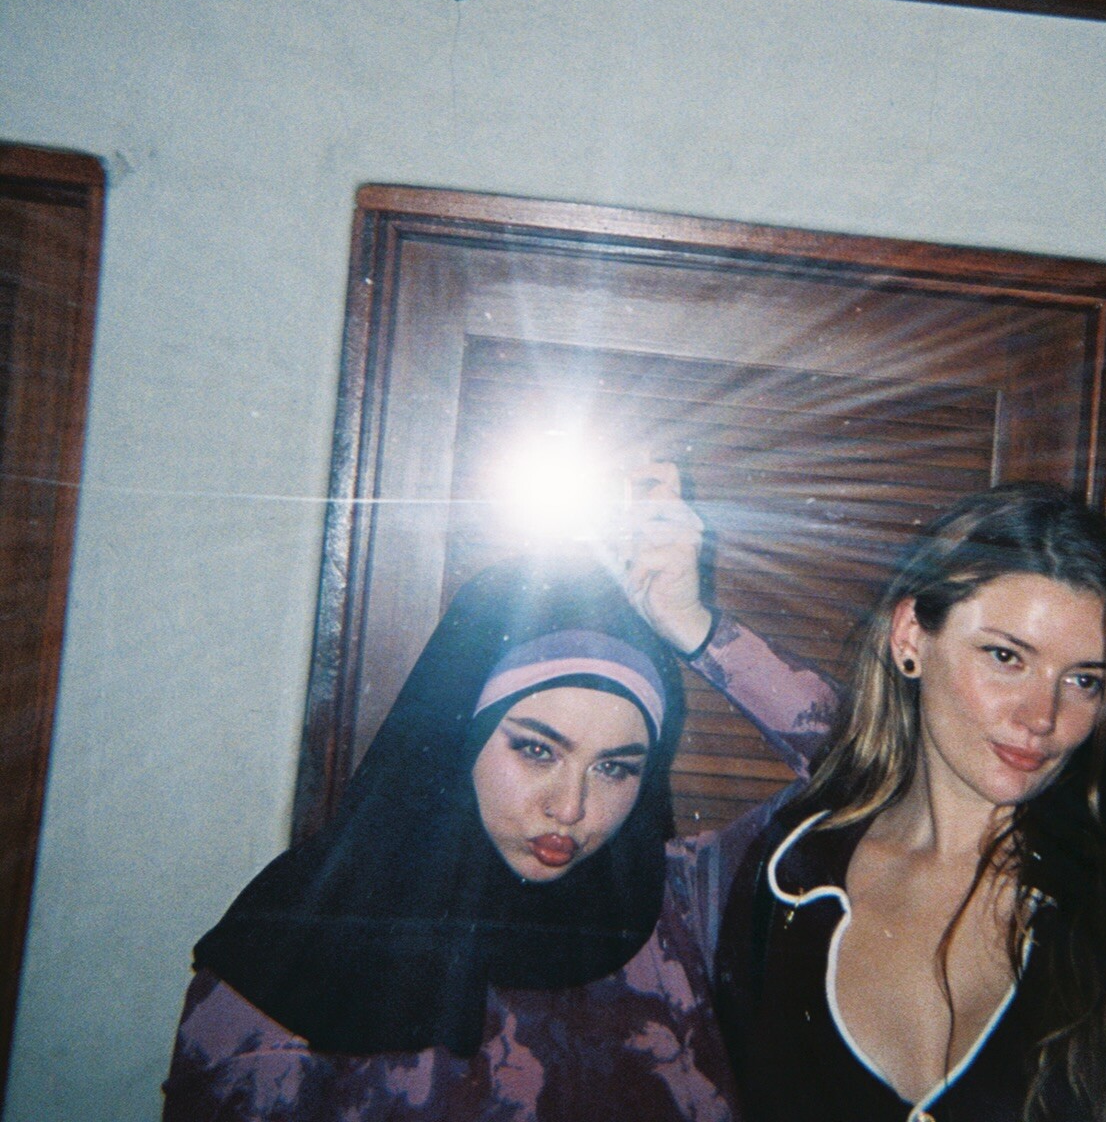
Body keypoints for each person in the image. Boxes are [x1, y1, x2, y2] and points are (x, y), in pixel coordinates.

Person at [161, 466, 836, 1122]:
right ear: (462, 737)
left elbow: (872, 772)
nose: (570, 808)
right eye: (537, 750)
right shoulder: (293, 949)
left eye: (615, 769)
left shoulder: (682, 911)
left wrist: (696, 627)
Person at [713, 482, 1106, 1122]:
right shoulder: (788, 876)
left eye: (1083, 680)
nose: (1042, 716)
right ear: (911, 637)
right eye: (1006, 657)